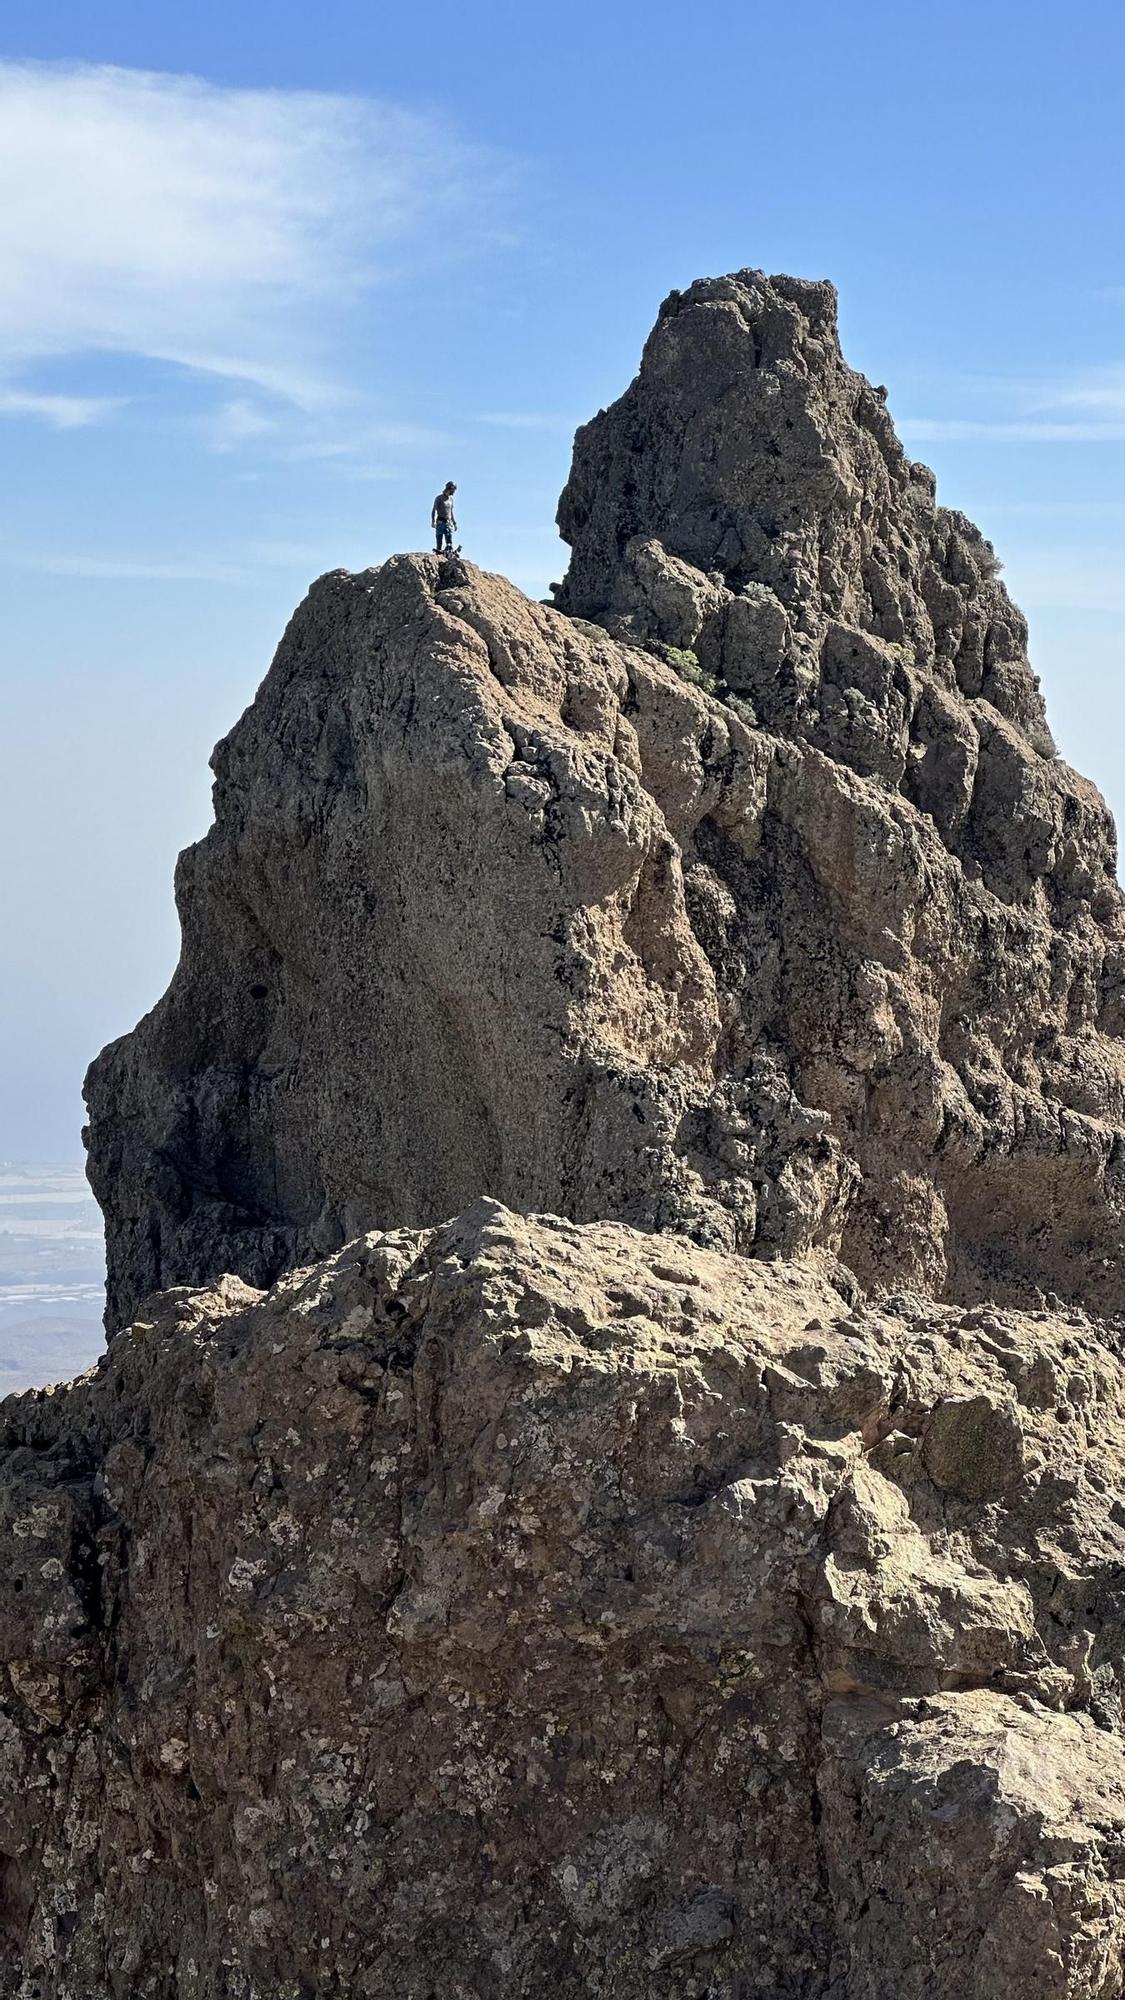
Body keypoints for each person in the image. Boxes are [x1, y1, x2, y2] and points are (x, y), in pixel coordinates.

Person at [432, 482, 458, 552]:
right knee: (439, 543)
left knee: (449, 543)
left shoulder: (451, 499)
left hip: (448, 523)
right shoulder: (439, 498)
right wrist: (433, 521)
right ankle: (438, 555)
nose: (454, 492)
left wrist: (454, 523)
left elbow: (451, 512)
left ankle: (449, 555)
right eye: (453, 490)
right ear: (450, 488)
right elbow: (434, 510)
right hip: (440, 522)